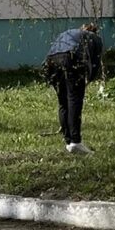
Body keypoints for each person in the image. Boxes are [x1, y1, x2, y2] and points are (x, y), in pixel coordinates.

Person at [44, 22, 104, 155]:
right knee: (74, 100)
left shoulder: (69, 33)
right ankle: (76, 142)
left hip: (51, 61)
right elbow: (95, 62)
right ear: (95, 31)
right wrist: (90, 79)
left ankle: (68, 141)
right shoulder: (94, 38)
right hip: (71, 58)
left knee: (63, 102)